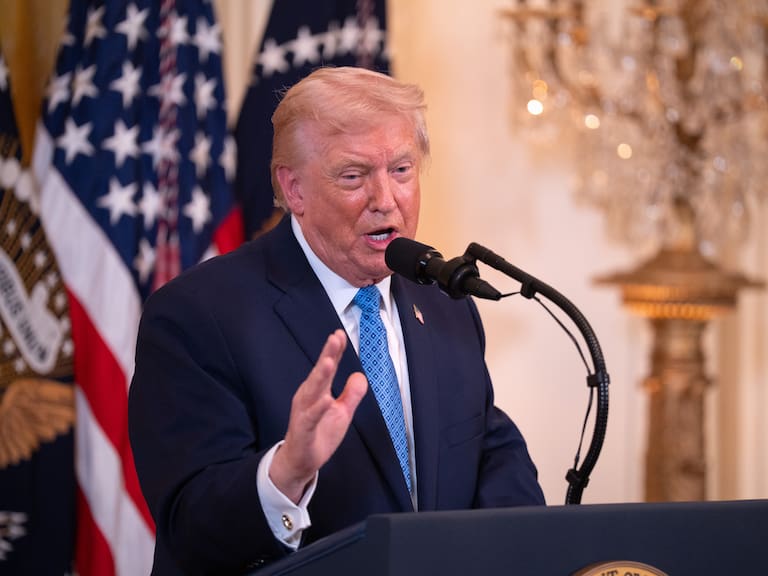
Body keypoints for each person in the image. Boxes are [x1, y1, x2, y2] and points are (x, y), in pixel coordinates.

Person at [128, 66, 545, 576]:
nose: (385, 199)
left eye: (401, 170)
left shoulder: (443, 301)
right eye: (353, 176)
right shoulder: (199, 314)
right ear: (294, 189)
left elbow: (489, 456)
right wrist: (285, 475)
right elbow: (188, 526)